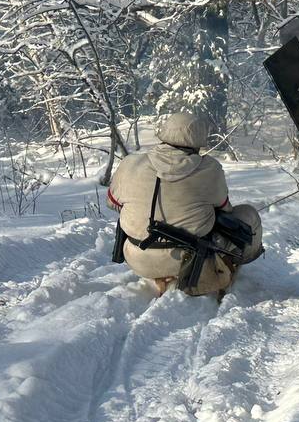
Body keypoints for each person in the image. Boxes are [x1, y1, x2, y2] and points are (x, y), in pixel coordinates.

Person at [106, 112, 263, 297]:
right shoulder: (210, 168)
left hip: (136, 256)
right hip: (187, 259)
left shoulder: (131, 163)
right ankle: (234, 265)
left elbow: (112, 203)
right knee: (248, 214)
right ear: (198, 139)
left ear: (164, 133)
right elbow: (225, 210)